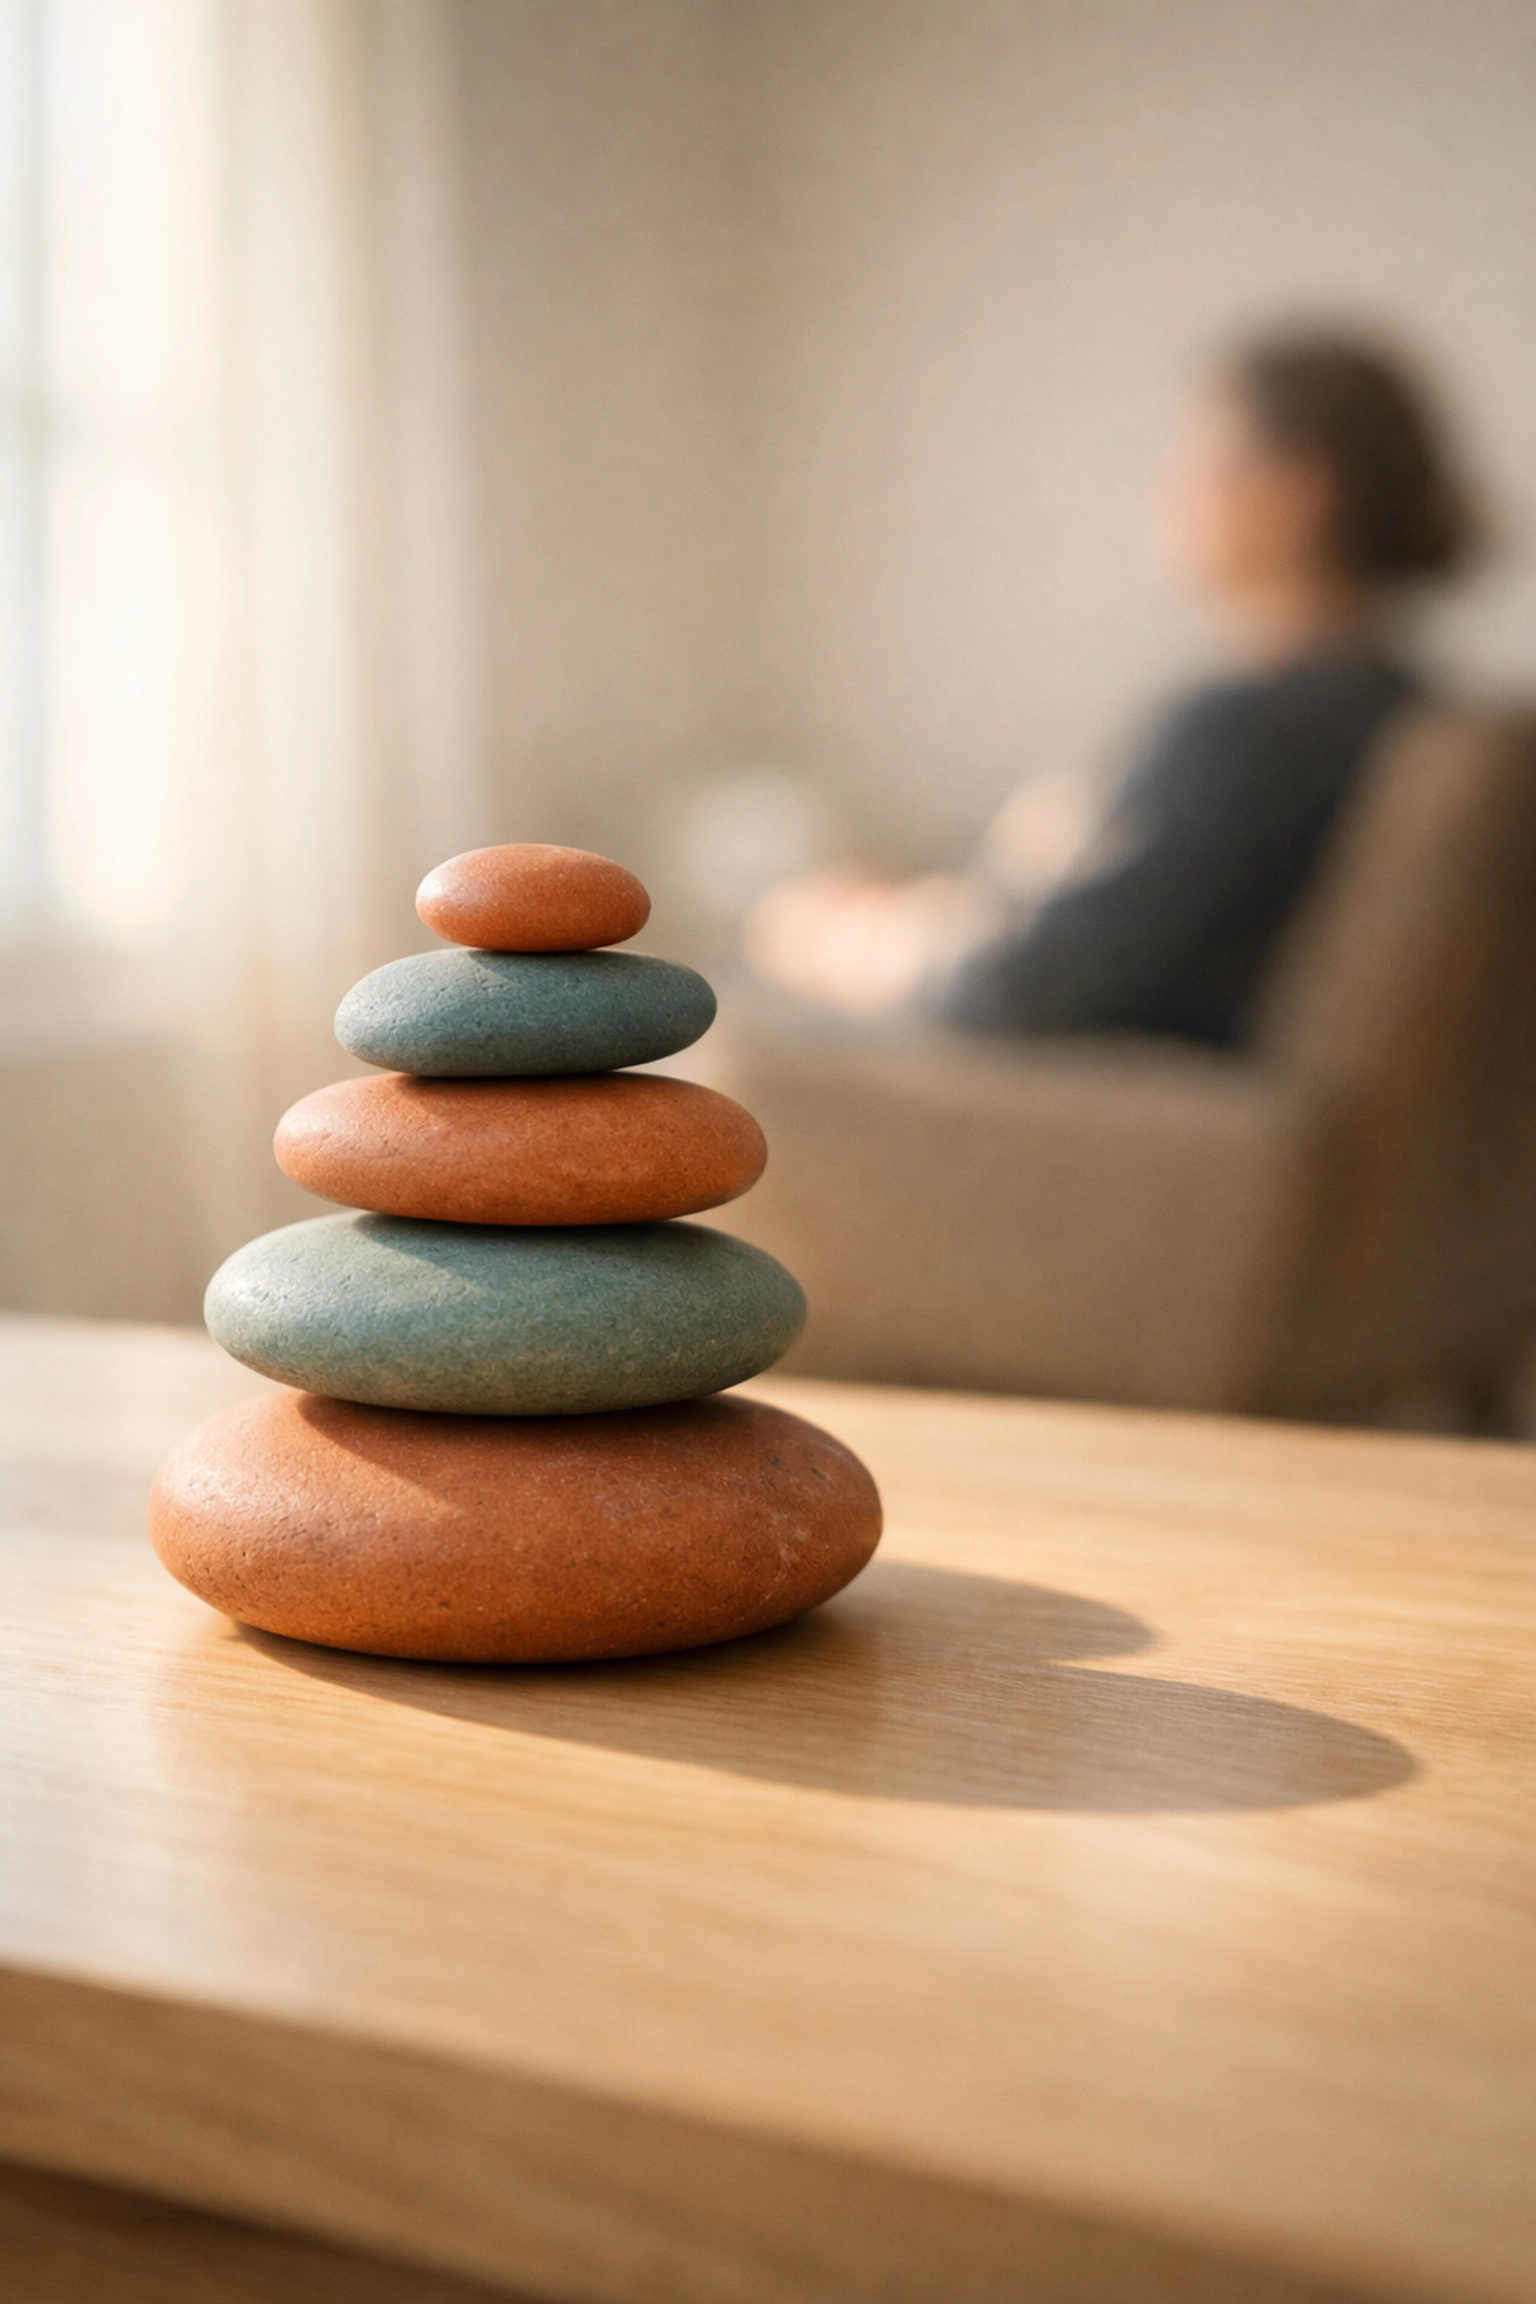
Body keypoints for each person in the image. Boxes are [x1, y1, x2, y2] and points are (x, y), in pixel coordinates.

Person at [744, 328, 1479, 1047]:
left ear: (1298, 489)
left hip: (1123, 1116)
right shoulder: (1397, 712)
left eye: (1203, 461)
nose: (1167, 490)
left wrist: (843, 940)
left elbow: (1023, 987)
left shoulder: (1255, 729)